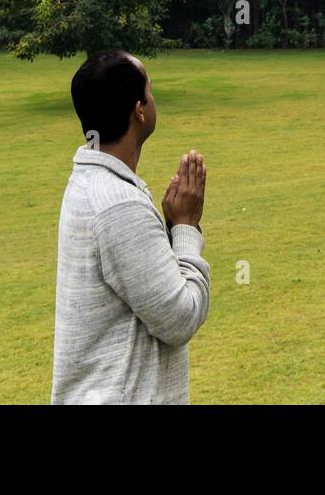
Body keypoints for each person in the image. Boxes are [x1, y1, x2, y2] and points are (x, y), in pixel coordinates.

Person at [51, 50, 209, 405]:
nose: (154, 99)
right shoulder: (119, 204)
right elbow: (180, 317)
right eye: (151, 90)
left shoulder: (88, 181)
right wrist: (186, 227)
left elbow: (138, 285)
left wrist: (167, 229)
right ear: (140, 110)